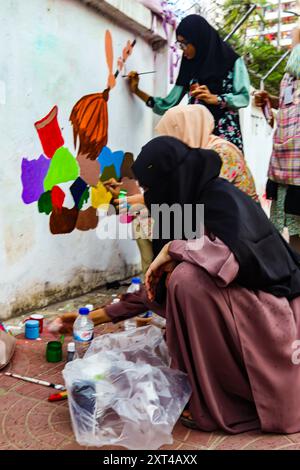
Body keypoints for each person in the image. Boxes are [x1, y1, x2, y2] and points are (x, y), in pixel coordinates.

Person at [55, 136, 300, 434]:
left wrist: (173, 249)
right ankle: (211, 390)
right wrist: (96, 317)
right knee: (179, 279)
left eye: (150, 187)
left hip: (270, 318)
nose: (149, 194)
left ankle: (231, 399)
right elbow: (156, 285)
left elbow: (232, 257)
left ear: (170, 178)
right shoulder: (183, 205)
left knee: (188, 280)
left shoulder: (221, 198)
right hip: (244, 315)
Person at [128, 14, 250, 151]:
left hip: (226, 144)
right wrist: (137, 91)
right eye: (179, 44)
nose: (182, 49)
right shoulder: (189, 66)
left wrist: (216, 99)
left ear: (198, 40)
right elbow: (166, 105)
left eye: (184, 44)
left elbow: (243, 98)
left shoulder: (232, 62)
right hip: (196, 142)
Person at [254, 27, 300, 252]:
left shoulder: (295, 65)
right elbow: (289, 109)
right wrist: (270, 102)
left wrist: (298, 37)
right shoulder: (289, 77)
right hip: (286, 164)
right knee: (293, 233)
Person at [155, 104, 258, 201]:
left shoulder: (222, 153)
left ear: (186, 131)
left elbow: (196, 195)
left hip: (243, 217)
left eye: (170, 136)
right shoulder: (195, 155)